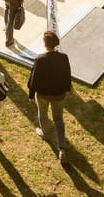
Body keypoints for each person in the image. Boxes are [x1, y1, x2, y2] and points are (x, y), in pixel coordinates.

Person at [28, 31, 72, 162]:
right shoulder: (64, 57)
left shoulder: (40, 59)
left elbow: (33, 79)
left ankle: (46, 133)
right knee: (58, 119)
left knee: (43, 114)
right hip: (59, 94)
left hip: (43, 95)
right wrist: (67, 89)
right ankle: (62, 147)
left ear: (45, 44)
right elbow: (67, 74)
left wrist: (31, 95)